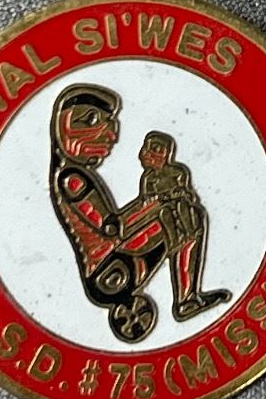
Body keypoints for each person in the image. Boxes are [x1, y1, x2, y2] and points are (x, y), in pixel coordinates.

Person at [49, 86, 230, 342]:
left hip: (116, 263)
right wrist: (155, 203)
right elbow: (113, 227)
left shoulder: (75, 174)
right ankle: (186, 298)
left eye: (109, 123)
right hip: (109, 272)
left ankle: (187, 298)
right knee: (185, 217)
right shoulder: (72, 179)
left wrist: (153, 203)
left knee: (182, 213)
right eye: (93, 120)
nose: (112, 135)